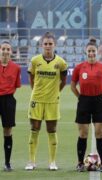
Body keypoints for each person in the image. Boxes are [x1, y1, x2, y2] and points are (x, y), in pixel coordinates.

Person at [25, 32, 68, 171]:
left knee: (52, 130)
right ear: (41, 45)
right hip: (36, 100)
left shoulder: (61, 63)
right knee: (34, 129)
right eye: (45, 44)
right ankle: (31, 162)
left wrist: (55, 92)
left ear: (54, 45)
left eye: (50, 44)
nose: (48, 46)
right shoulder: (35, 61)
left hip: (52, 101)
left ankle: (52, 162)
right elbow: (31, 79)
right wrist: (36, 92)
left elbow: (63, 81)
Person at [71, 37, 102, 172]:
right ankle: (79, 163)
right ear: (85, 52)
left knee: (99, 133)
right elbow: (72, 85)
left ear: (97, 52)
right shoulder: (79, 67)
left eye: (93, 51)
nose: (91, 53)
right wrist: (80, 97)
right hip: (84, 101)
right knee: (83, 133)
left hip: (98, 101)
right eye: (89, 51)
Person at [0, 41, 21, 171]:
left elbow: (16, 85)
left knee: (7, 131)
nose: (6, 51)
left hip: (8, 100)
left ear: (11, 52)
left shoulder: (16, 68)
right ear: (0, 50)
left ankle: (7, 162)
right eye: (3, 49)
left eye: (8, 49)